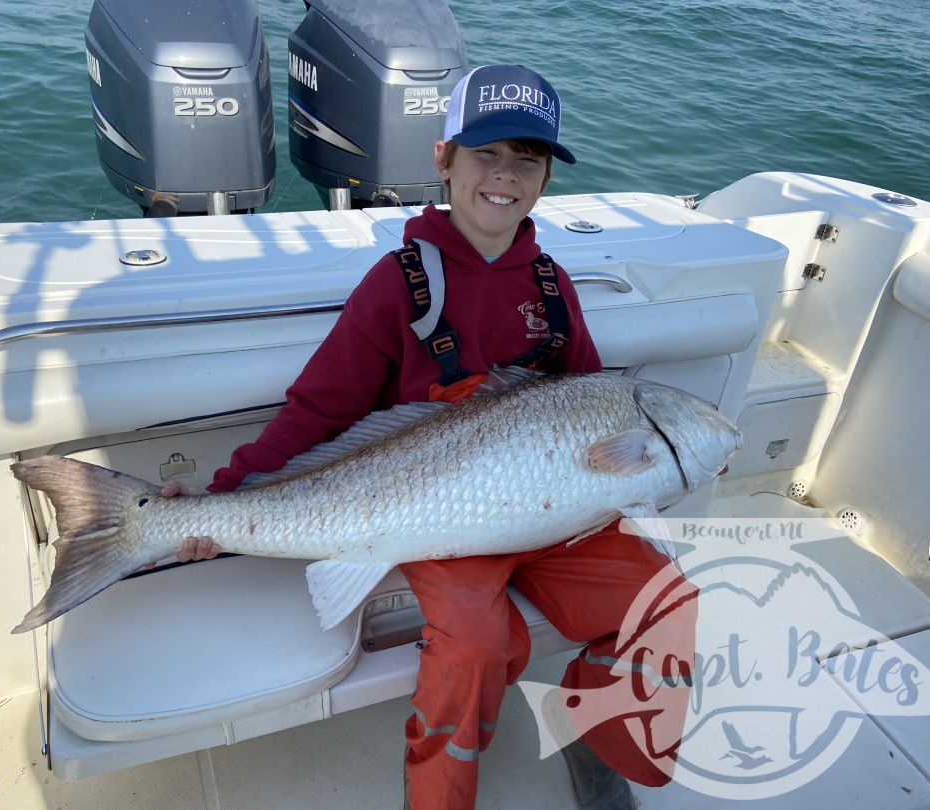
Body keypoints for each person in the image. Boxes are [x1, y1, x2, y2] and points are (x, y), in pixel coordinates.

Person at [165, 65, 697, 809]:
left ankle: (597, 739)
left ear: (546, 177)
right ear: (443, 159)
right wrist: (220, 501)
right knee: (477, 649)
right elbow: (319, 409)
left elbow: (592, 403)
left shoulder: (552, 284)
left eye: (528, 159)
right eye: (485, 154)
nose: (504, 176)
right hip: (440, 511)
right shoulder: (399, 283)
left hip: (556, 512)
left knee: (665, 604)